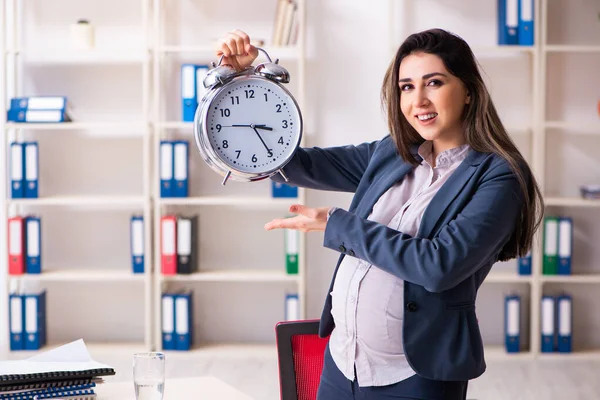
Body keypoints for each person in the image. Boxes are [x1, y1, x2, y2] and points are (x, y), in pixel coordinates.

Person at [216, 28, 543, 400]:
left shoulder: (498, 176)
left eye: (433, 83)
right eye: (406, 87)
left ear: (468, 90)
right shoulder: (393, 151)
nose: (418, 100)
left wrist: (337, 225)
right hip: (342, 364)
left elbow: (439, 266)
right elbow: (299, 161)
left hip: (415, 378)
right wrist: (244, 83)